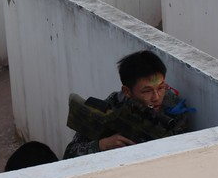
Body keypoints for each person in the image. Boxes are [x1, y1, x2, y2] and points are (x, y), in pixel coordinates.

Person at [63, 50, 194, 159]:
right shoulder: (113, 106)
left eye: (161, 88)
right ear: (127, 91)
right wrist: (101, 145)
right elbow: (69, 154)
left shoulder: (173, 109)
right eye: (147, 91)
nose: (157, 97)